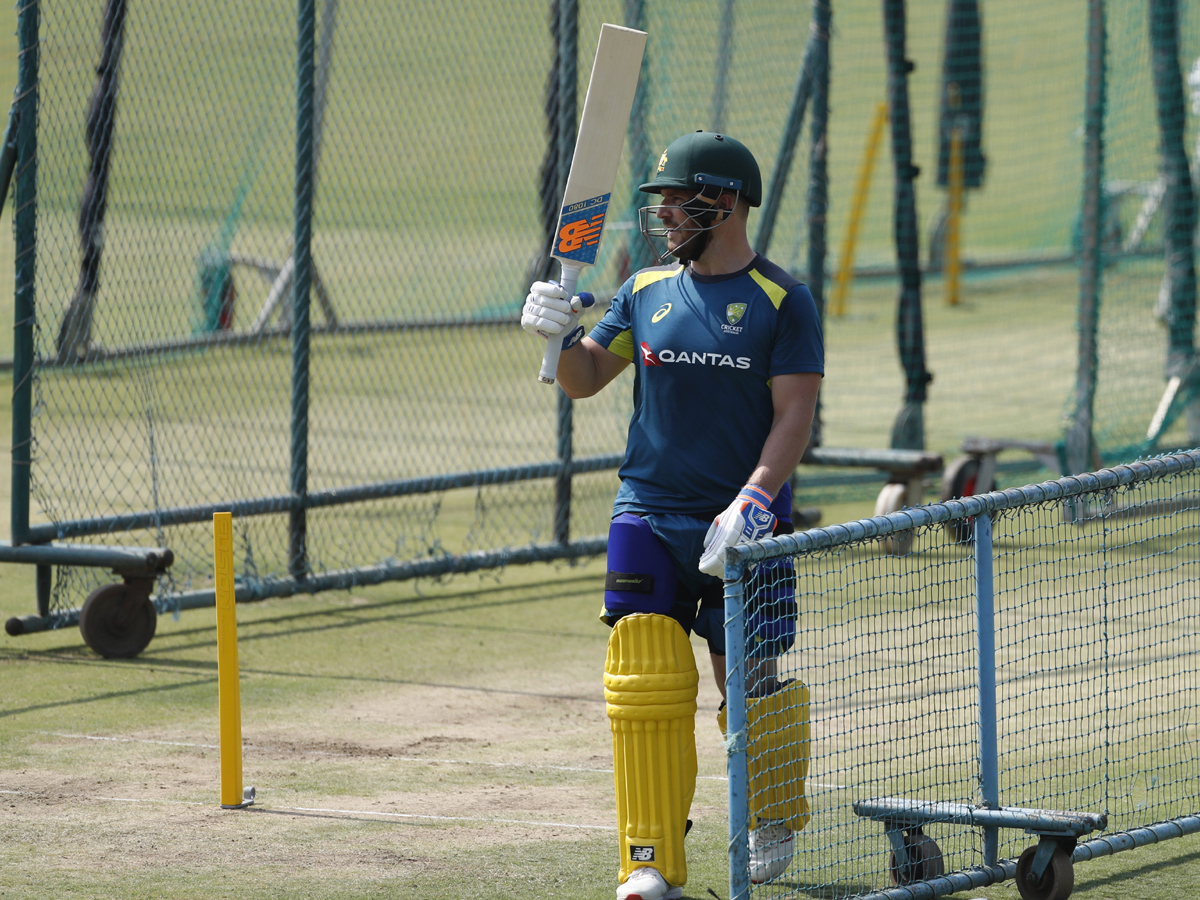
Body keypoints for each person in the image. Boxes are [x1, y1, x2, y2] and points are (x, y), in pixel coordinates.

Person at [522, 131, 823, 900]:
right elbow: (587, 379)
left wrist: (754, 500)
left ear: (720, 204)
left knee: (748, 680)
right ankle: (649, 860)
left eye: (674, 204)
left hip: (743, 527)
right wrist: (557, 337)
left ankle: (773, 815)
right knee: (644, 669)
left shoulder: (784, 301)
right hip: (649, 511)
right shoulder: (646, 289)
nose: (663, 221)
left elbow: (794, 415)